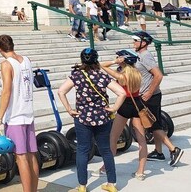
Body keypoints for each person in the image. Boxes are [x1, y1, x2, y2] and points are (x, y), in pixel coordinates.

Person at [57, 48, 125, 192]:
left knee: (83, 150)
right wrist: (113, 108)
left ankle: (82, 185)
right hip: (102, 117)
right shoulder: (102, 76)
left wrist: (69, 109)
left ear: (82, 60)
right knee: (106, 150)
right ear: (96, 60)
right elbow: (122, 93)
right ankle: (111, 184)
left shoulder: (76, 76)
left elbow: (61, 91)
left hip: (82, 118)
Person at [0, 34, 38, 192]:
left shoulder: (6, 64)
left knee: (21, 157)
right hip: (28, 113)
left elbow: (6, 92)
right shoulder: (27, 59)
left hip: (15, 116)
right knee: (31, 155)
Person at [130, 31, 184, 166]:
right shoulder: (140, 56)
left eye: (136, 40)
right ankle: (158, 152)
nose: (134, 42)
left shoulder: (145, 56)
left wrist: (148, 92)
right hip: (153, 95)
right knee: (156, 124)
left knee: (153, 125)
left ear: (144, 42)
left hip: (149, 97)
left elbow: (158, 75)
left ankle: (173, 150)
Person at [98, 50, 149, 181]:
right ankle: (141, 172)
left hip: (124, 105)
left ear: (124, 60)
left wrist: (115, 62)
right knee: (142, 140)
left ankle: (105, 167)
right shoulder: (137, 73)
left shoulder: (122, 76)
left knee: (113, 138)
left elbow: (101, 66)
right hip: (137, 104)